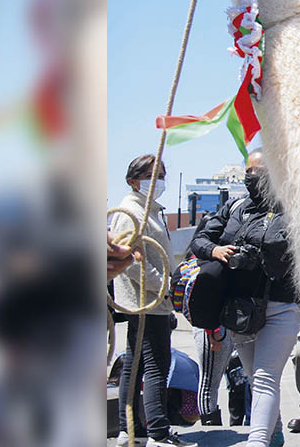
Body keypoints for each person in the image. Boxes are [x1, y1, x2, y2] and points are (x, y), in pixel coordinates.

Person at [190, 149, 300, 447]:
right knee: (255, 377)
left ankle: (257, 441)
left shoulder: (296, 208)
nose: (254, 178)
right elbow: (200, 240)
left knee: (266, 377)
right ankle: (273, 432)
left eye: (262, 173)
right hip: (240, 310)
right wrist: (215, 251)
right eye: (250, 172)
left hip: (282, 306)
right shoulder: (235, 207)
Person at [111, 155, 193, 446]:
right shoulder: (129, 212)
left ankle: (130, 430)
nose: (157, 181)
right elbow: (127, 259)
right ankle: (158, 432)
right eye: (150, 175)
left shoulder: (152, 212)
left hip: (153, 301)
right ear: (133, 180)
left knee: (134, 364)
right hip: (145, 301)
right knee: (156, 364)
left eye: (161, 175)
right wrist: (163, 285)